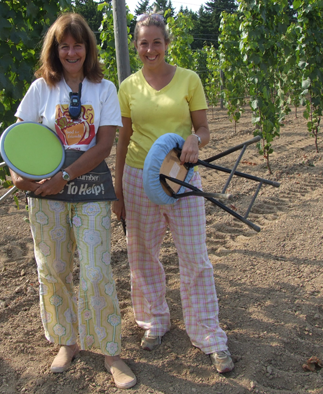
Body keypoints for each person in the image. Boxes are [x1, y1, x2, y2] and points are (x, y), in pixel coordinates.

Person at [10, 13, 136, 389]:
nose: (71, 51)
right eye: (63, 45)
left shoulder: (104, 89)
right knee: (54, 268)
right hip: (46, 196)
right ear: (55, 49)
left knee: (97, 270)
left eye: (77, 44)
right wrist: (18, 176)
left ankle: (111, 350)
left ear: (87, 49)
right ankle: (68, 341)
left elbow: (103, 145)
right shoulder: (41, 89)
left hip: (89, 189)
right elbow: (19, 140)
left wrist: (63, 176)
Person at [113, 12, 234, 374]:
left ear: (167, 43)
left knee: (195, 258)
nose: (150, 49)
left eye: (156, 42)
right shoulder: (128, 87)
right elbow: (123, 139)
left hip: (181, 178)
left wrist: (196, 139)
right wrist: (118, 191)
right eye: (143, 43)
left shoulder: (189, 79)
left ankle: (208, 333)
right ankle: (153, 323)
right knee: (142, 255)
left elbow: (204, 128)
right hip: (138, 179)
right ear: (136, 46)